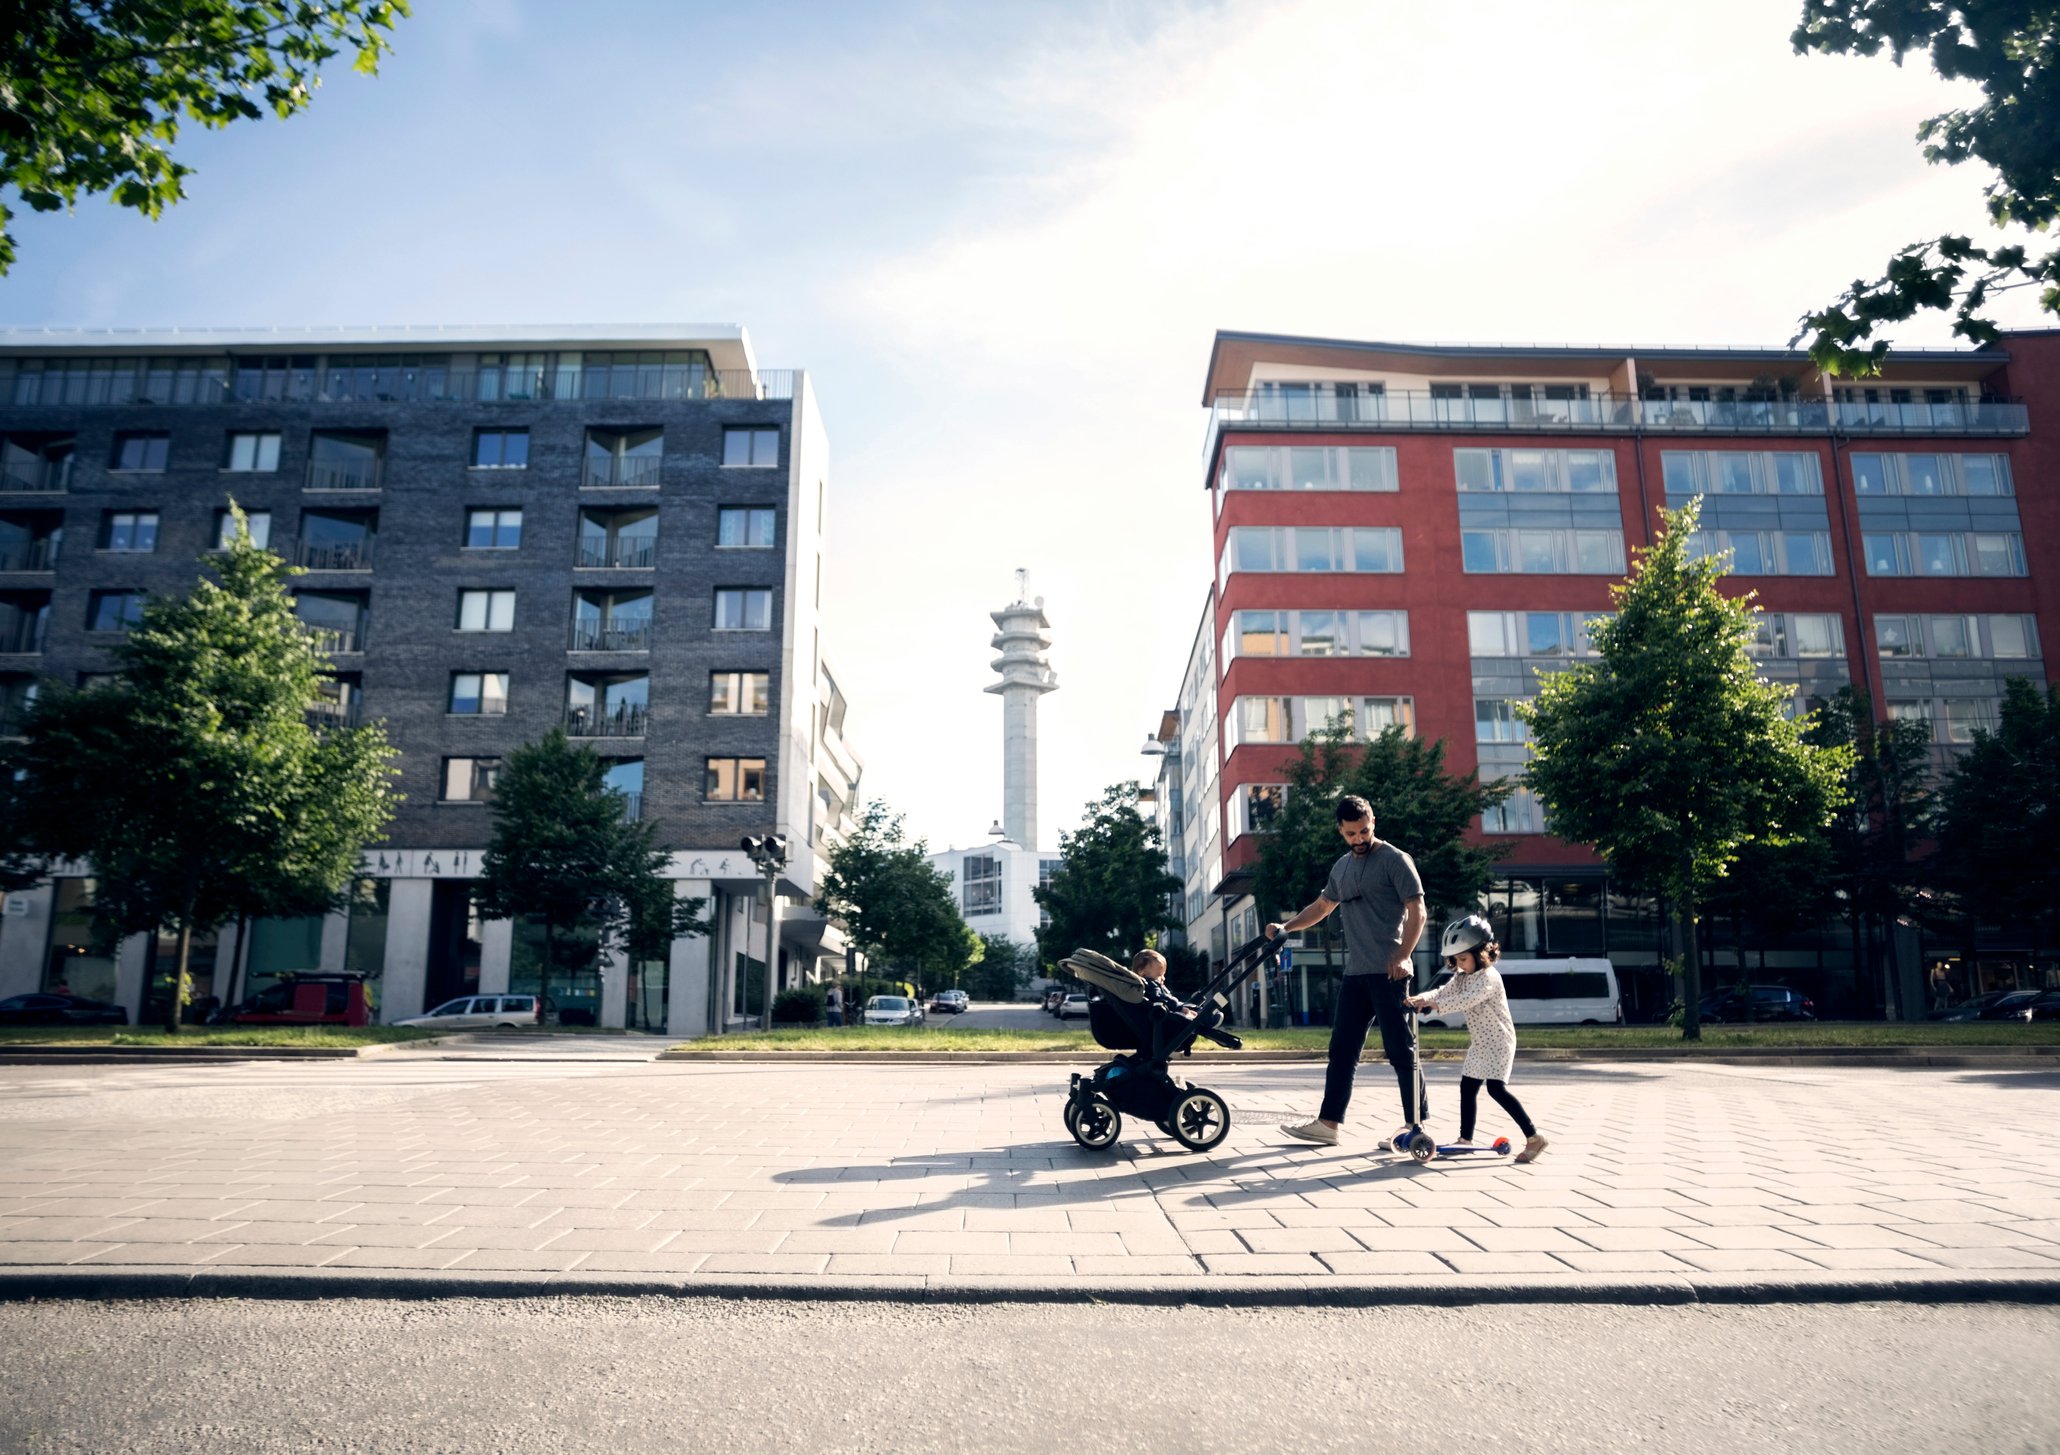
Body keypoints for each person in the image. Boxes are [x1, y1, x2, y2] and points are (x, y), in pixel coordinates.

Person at [1264, 795, 1429, 1146]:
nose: (1360, 839)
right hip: (1356, 974)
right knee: (1341, 1050)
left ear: (1373, 822)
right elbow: (1323, 906)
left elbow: (1418, 911)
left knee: (1401, 1050)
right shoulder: (1342, 867)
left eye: (1365, 831)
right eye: (1352, 833)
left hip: (1390, 972)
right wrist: (1286, 927)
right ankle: (1328, 1124)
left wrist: (1403, 954)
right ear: (1341, 831)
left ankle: (1415, 1126)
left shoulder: (1396, 860)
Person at [1406, 914, 1547, 1164]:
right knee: (1467, 1087)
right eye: (1456, 960)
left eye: (1463, 958)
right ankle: (1465, 1140)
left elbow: (1466, 1000)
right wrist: (1422, 997)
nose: (1459, 965)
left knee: (1496, 1089)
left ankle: (1534, 1137)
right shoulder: (1462, 977)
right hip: (1480, 1043)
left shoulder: (1489, 978)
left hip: (1500, 1043)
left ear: (1481, 953)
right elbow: (1444, 991)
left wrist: (1435, 1004)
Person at [1130, 949, 1198, 1021]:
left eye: (1163, 975)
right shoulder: (1149, 984)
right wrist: (1180, 1008)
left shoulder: (1141, 987)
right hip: (1164, 1018)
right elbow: (1161, 998)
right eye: (1159, 975)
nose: (1163, 978)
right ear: (1142, 972)